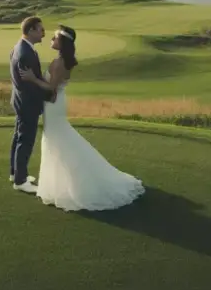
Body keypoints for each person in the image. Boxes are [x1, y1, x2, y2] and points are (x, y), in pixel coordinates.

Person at [18, 24, 145, 211]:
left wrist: (31, 78)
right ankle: (61, 184)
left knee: (57, 140)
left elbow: (50, 88)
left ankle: (70, 186)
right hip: (56, 104)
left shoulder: (59, 63)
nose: (51, 40)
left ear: (62, 43)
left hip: (53, 106)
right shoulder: (62, 61)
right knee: (58, 139)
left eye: (54, 38)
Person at [8, 16, 55, 193]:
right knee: (25, 140)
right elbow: (26, 84)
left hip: (20, 101)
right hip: (27, 103)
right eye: (40, 29)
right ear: (31, 31)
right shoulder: (25, 53)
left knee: (18, 137)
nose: (43, 33)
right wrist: (48, 94)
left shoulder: (21, 47)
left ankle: (15, 173)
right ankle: (20, 181)